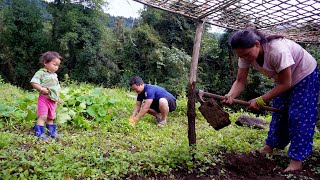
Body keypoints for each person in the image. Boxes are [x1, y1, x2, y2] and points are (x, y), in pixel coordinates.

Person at [223, 28, 319, 172]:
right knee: (279, 112)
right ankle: (270, 146)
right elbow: (240, 80)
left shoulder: (277, 51)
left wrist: (260, 100)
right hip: (283, 80)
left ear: (257, 44)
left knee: (299, 116)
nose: (245, 58)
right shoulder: (244, 55)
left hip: (305, 75)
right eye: (241, 55)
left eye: (247, 54)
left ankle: (296, 161)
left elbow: (286, 84)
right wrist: (230, 95)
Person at [30, 51, 62, 139]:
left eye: (58, 65)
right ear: (45, 63)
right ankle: (39, 134)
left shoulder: (54, 75)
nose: (56, 67)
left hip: (52, 100)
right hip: (44, 99)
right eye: (54, 64)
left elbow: (56, 88)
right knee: (43, 116)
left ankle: (51, 133)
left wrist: (57, 98)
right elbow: (33, 82)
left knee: (51, 117)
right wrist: (41, 89)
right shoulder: (41, 73)